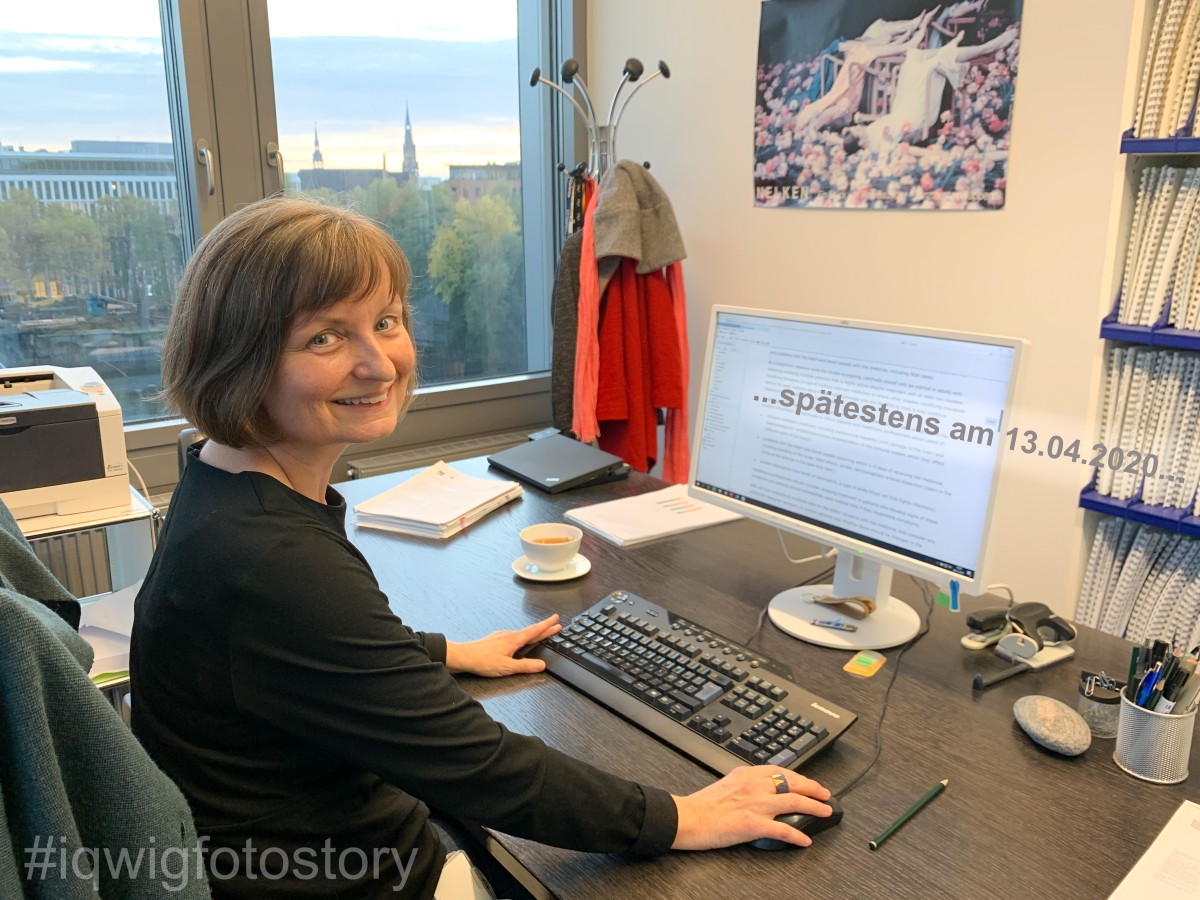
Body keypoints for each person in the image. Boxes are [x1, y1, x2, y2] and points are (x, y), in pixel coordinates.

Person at [130, 196, 833, 899]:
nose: (380, 365)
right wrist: (682, 814)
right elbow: (478, 766)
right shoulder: (272, 563)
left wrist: (439, 654)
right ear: (239, 358)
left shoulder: (220, 478)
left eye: (386, 322)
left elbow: (294, 653)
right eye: (325, 338)